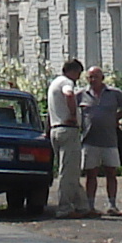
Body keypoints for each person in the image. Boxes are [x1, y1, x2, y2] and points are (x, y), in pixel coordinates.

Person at [77, 65, 122, 218]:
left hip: (110, 140)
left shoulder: (113, 94)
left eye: (96, 76)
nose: (93, 80)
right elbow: (71, 108)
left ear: (102, 78)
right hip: (89, 139)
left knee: (111, 172)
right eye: (90, 77)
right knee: (91, 174)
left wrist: (116, 117)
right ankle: (90, 205)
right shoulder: (82, 94)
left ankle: (112, 205)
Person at [45, 57, 84, 214]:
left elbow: (50, 111)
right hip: (67, 129)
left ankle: (83, 206)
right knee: (68, 172)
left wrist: (47, 130)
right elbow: (69, 95)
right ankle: (64, 207)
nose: (79, 77)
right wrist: (73, 115)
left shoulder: (53, 83)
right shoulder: (66, 83)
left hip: (56, 129)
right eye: (78, 73)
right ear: (72, 71)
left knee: (72, 170)